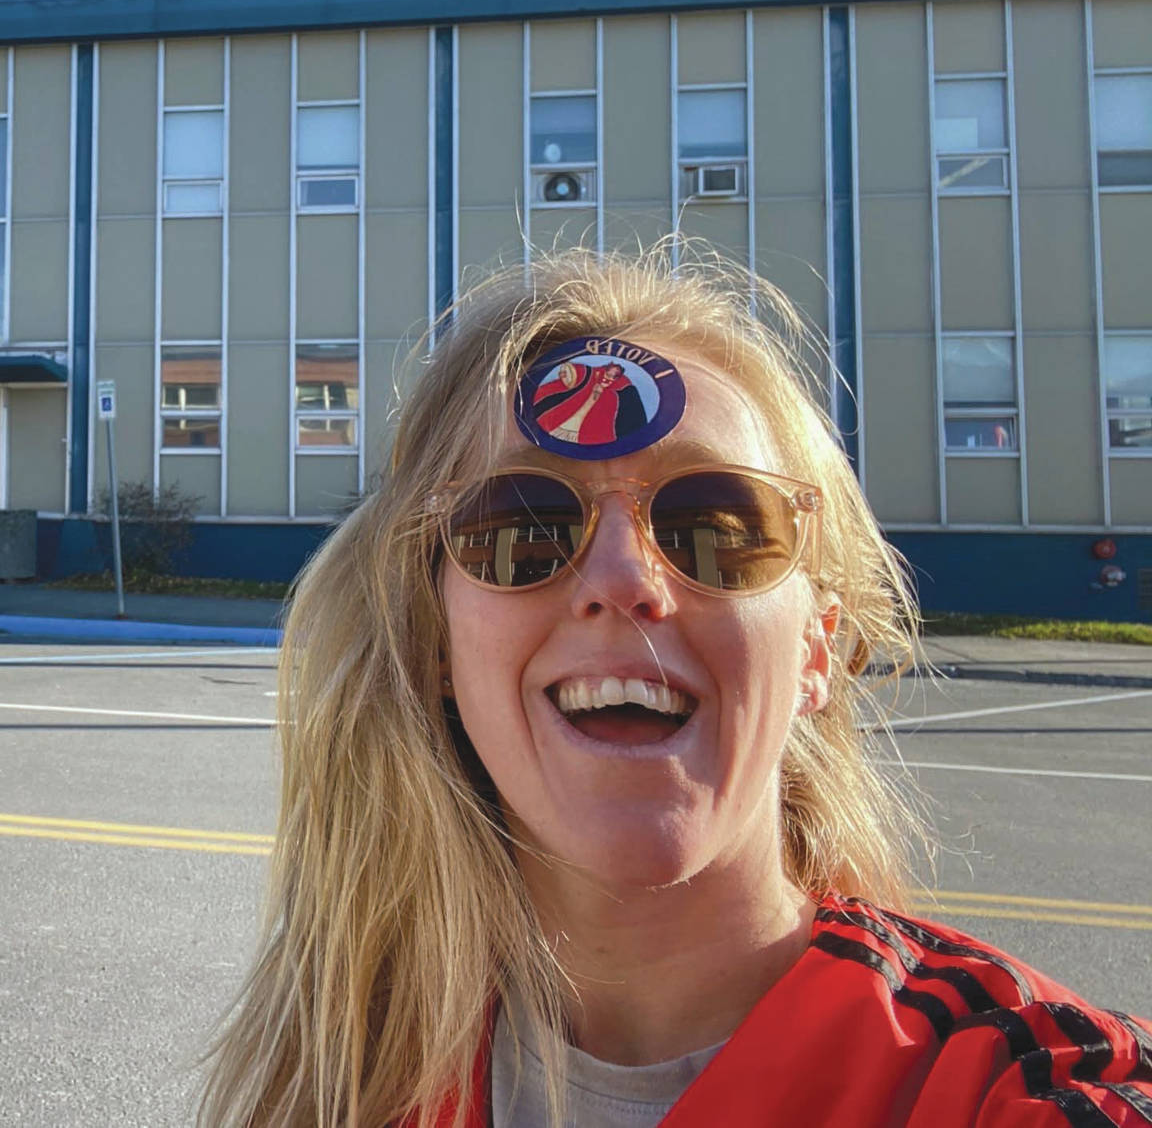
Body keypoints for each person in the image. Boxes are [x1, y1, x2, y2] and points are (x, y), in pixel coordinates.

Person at [199, 245, 1151, 1128]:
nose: (622, 581)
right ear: (436, 641)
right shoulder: (351, 1081)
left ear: (819, 645)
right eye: (522, 527)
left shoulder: (1018, 1087)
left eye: (716, 524)